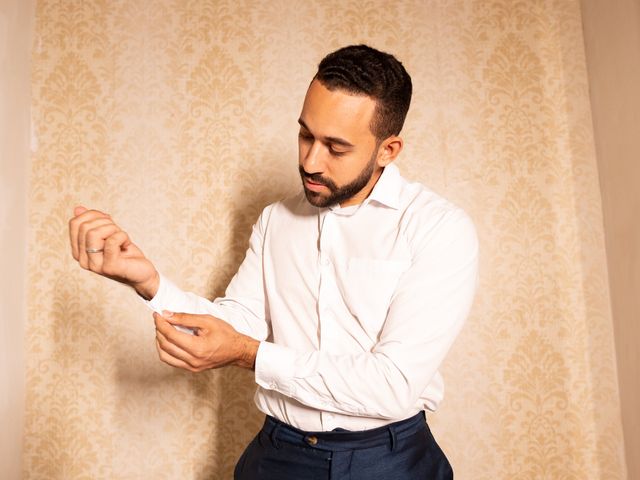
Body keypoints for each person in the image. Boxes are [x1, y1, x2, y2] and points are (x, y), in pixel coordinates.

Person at [69, 44, 478, 479]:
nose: (310, 160)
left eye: (335, 148)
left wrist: (249, 355)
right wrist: (148, 281)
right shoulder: (276, 220)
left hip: (387, 460)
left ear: (388, 149)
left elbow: (392, 384)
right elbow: (236, 324)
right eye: (306, 135)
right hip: (276, 454)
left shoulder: (439, 229)